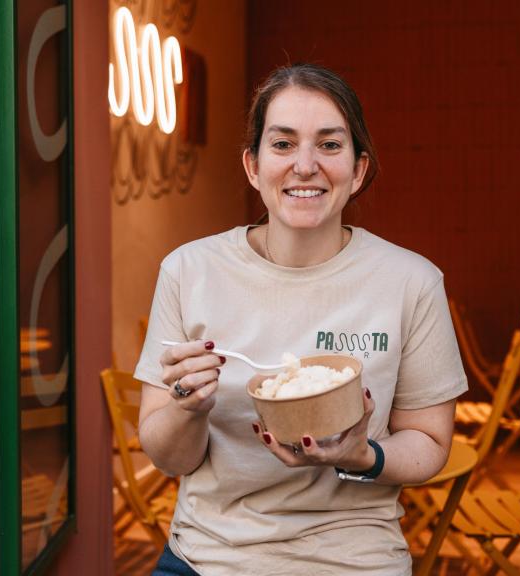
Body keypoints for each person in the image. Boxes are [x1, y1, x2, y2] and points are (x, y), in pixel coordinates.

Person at [134, 63, 467, 576]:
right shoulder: (188, 271)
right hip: (207, 557)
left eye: (330, 145)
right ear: (253, 166)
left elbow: (430, 442)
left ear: (358, 169)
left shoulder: (411, 282)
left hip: (354, 561)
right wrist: (187, 407)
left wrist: (362, 455)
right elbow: (170, 460)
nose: (305, 166)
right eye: (283, 144)